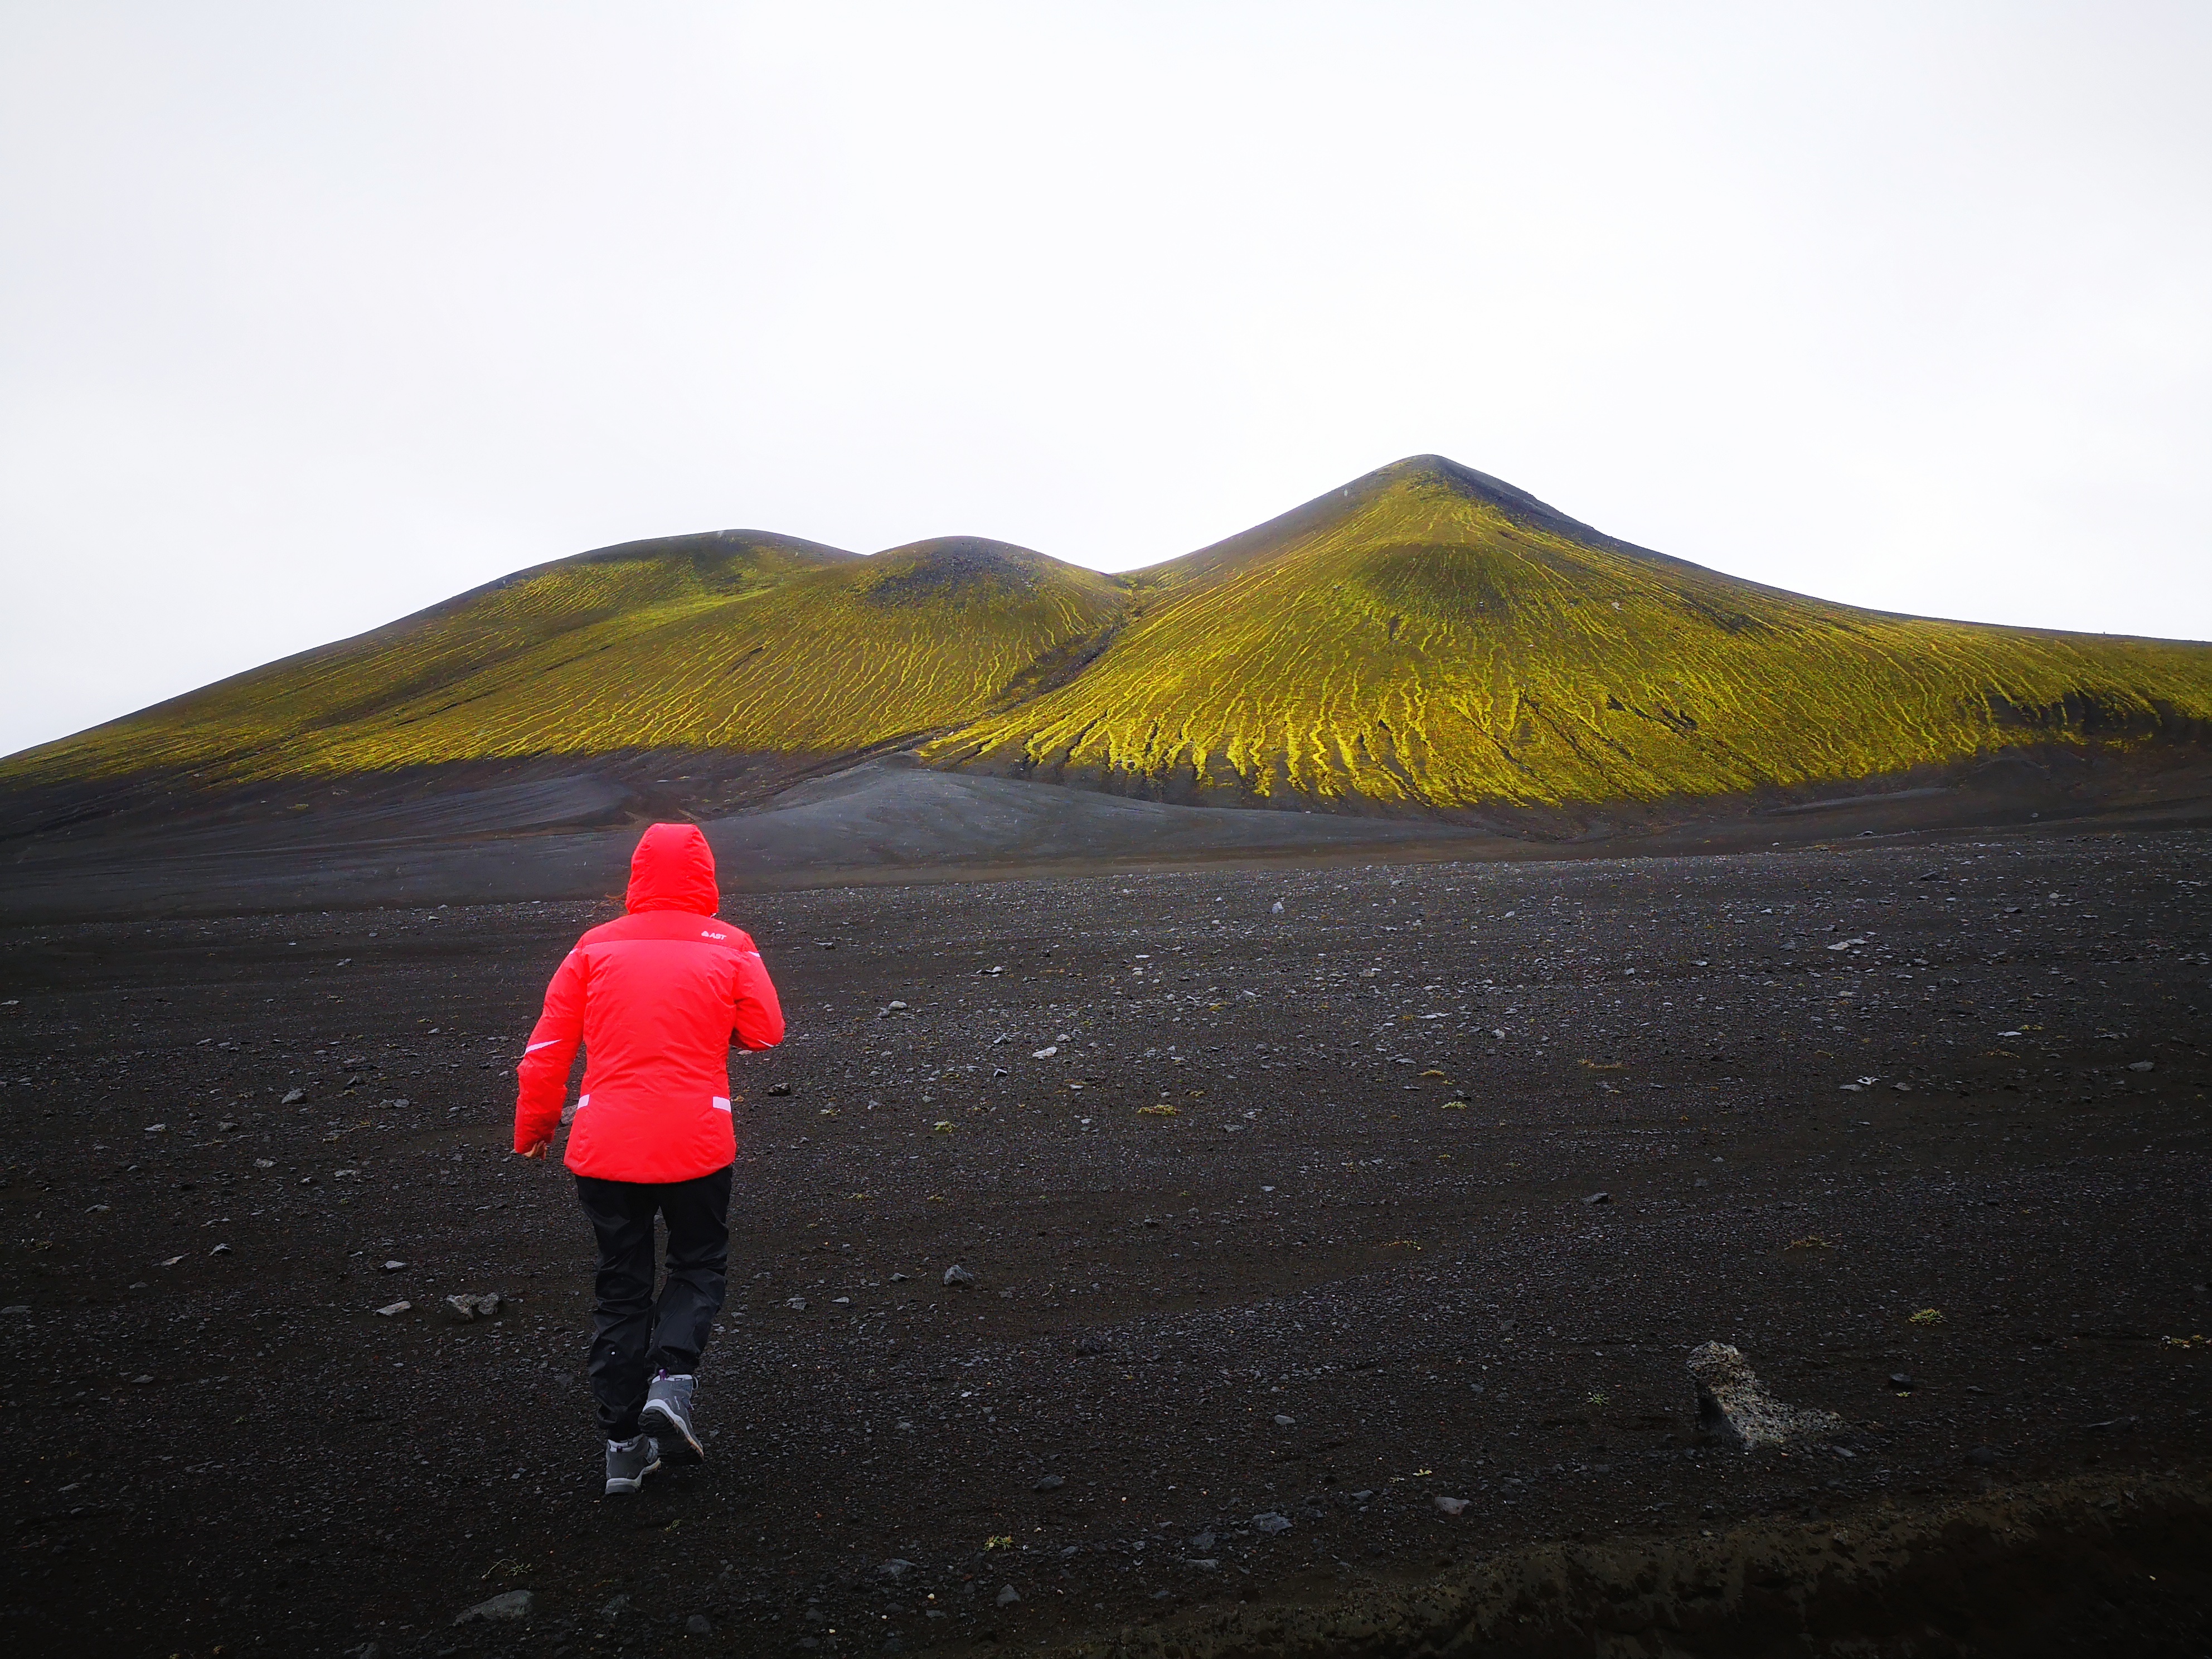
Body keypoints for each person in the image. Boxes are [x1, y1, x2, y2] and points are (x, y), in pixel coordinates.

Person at [513, 822, 785, 1495]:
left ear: (636, 877)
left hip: (603, 1144)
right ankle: (671, 1381)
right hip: (696, 1139)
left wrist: (535, 1127)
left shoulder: (593, 947)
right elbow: (766, 1031)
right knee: (697, 1261)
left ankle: (622, 1446)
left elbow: (547, 1049)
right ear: (706, 876)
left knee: (621, 1280)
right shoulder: (731, 944)